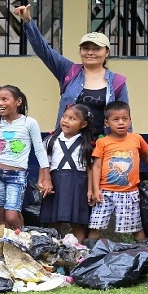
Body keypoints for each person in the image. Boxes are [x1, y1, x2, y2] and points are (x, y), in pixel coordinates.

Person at [12, 4, 129, 137]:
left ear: (107, 52)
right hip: (68, 146)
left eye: (97, 49)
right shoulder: (68, 71)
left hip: (102, 148)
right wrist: (28, 21)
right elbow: (43, 50)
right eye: (86, 48)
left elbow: (124, 117)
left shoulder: (117, 82)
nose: (90, 52)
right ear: (80, 51)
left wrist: (127, 148)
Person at [0, 84, 50, 229]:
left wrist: (46, 176)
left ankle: (21, 243)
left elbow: (40, 151)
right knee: (0, 213)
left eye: (5, 99)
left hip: (17, 175)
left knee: (12, 214)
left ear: (18, 102)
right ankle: (3, 247)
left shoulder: (29, 123)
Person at [88, 101, 148, 245]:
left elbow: (147, 157)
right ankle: (88, 254)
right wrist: (96, 190)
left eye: (124, 119)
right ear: (106, 123)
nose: (121, 123)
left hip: (130, 192)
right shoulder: (103, 143)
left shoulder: (136, 139)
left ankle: (144, 253)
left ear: (130, 120)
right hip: (105, 192)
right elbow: (96, 166)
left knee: (135, 226)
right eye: (116, 119)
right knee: (96, 224)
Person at [41, 104, 96, 244]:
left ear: (83, 124)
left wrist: (90, 190)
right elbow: (44, 164)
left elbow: (90, 168)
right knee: (54, 220)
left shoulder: (87, 145)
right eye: (64, 116)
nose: (65, 120)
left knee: (77, 221)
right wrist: (42, 182)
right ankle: (51, 250)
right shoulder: (51, 141)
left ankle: (80, 253)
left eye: (72, 119)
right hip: (56, 182)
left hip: (78, 184)